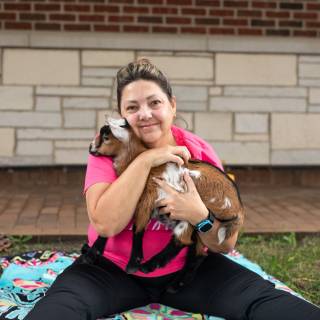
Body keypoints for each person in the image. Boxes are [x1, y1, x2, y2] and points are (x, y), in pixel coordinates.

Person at [25, 59, 320, 320]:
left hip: (188, 272)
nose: (144, 114)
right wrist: (146, 160)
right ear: (121, 115)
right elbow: (105, 223)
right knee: (59, 309)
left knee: (268, 301)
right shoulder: (109, 148)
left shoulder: (199, 152)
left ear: (172, 105)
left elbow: (226, 243)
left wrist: (199, 215)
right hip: (110, 271)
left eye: (154, 103)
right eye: (132, 107)